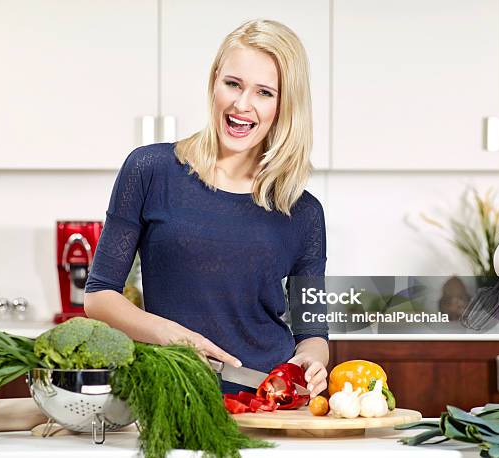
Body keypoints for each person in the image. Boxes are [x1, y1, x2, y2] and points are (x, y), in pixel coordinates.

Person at [84, 19, 329, 397]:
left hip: (267, 401)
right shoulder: (151, 170)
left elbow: (312, 332)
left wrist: (311, 362)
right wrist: (171, 335)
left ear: (284, 105)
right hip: (172, 395)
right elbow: (99, 296)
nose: (241, 104)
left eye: (264, 92)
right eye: (233, 84)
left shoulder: (303, 211)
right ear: (215, 81)